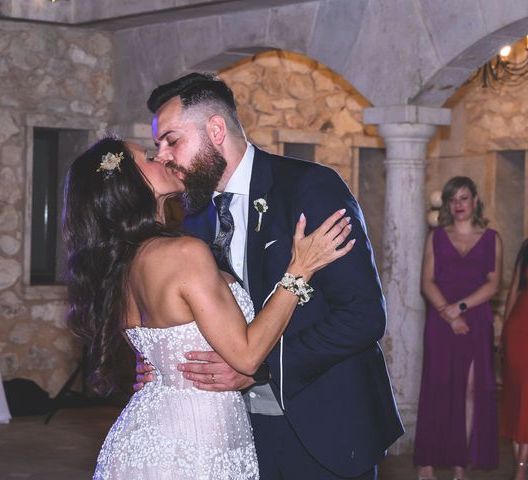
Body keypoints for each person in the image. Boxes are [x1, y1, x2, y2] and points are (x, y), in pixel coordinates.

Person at [138, 72, 403, 479]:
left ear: (215, 129)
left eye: (172, 140)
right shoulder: (193, 217)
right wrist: (162, 362)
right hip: (234, 432)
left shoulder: (310, 188)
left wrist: (257, 368)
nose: (162, 156)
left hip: (324, 424)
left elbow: (363, 316)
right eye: (158, 146)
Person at [62, 136, 355, 479]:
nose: (163, 158)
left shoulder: (121, 267)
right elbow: (246, 356)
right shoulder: (183, 253)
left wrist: (158, 366)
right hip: (195, 441)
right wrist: (299, 271)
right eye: (148, 158)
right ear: (129, 185)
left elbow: (157, 346)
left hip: (147, 435)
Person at [414, 176, 501, 480]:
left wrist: (461, 308)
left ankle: (459, 462)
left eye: (464, 198)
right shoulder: (437, 236)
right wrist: (448, 314)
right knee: (437, 387)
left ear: (475, 200)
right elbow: (426, 281)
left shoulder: (492, 238)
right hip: (441, 321)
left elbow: (494, 283)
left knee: (469, 391)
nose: (458, 205)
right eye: (453, 199)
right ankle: (426, 461)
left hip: (476, 321)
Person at [501, 236, 528, 480]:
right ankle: (521, 468)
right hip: (520, 329)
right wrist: (504, 333)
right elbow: (514, 290)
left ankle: (522, 467)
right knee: (518, 398)